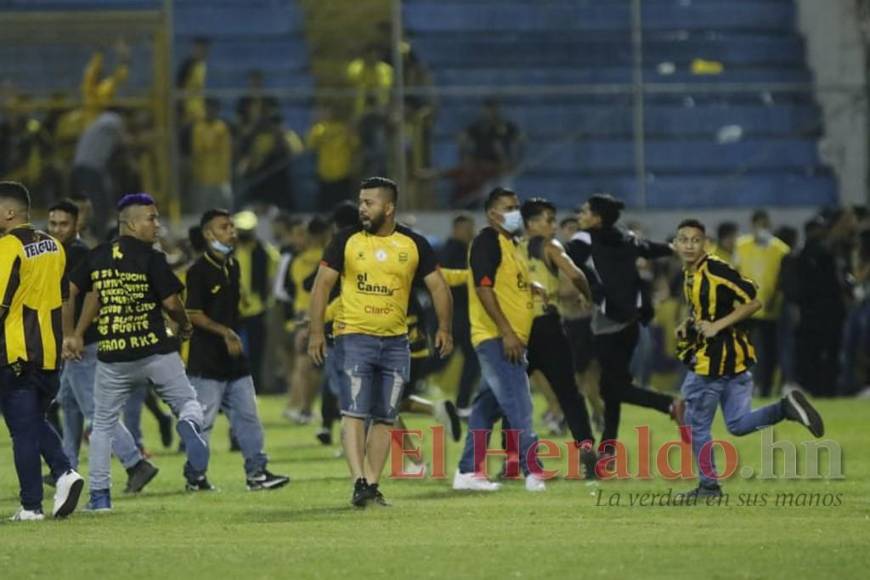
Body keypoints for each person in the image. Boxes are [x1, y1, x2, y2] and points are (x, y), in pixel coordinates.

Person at [308, 177, 453, 508]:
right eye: (360, 201)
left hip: (396, 342)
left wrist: (445, 328)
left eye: (369, 203)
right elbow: (321, 286)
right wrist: (317, 332)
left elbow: (440, 287)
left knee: (386, 416)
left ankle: (371, 485)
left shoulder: (414, 244)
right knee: (355, 413)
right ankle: (358, 480)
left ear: (389, 208)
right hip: (353, 337)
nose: (362, 208)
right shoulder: (344, 240)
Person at [65, 193, 211, 511]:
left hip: (114, 356)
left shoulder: (98, 255)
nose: (157, 225)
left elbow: (77, 292)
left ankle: (100, 497)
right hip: (156, 351)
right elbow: (172, 303)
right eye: (151, 218)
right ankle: (187, 423)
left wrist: (72, 334)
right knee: (187, 402)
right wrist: (184, 325)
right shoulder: (151, 258)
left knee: (102, 425)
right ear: (131, 223)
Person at [672, 219, 825, 498]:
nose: (689, 245)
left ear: (706, 244)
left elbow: (753, 301)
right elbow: (706, 309)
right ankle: (784, 408)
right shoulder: (691, 273)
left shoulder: (716, 269)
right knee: (738, 424)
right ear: (675, 245)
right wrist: (690, 322)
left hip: (713, 360)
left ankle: (709, 486)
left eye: (695, 240)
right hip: (734, 360)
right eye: (684, 240)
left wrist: (717, 326)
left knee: (695, 424)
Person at [47, 200, 159, 493]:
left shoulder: (78, 254)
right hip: (75, 341)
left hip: (84, 343)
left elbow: (85, 297)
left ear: (77, 225)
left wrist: (73, 335)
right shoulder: (63, 252)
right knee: (69, 404)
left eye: (64, 224)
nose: (57, 229)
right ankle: (65, 468)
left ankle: (136, 463)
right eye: (53, 224)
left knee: (97, 412)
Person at [566, 194, 685, 459]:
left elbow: (565, 264)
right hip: (631, 320)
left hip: (609, 322)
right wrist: (674, 247)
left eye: (585, 211)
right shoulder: (624, 236)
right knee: (613, 385)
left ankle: (670, 404)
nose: (580, 216)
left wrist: (586, 291)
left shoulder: (584, 239)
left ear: (596, 218)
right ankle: (608, 451)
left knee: (611, 388)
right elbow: (649, 248)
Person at [185, 209, 290, 490]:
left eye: (232, 226)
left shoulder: (232, 265)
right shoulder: (198, 271)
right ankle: (195, 477)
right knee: (203, 423)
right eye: (224, 227)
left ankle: (257, 473)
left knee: (248, 419)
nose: (232, 231)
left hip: (234, 360)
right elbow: (192, 313)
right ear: (209, 234)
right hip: (206, 361)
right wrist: (225, 332)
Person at [0, 181, 84, 521]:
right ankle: (65, 473)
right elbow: (64, 297)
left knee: (22, 430)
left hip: (16, 353)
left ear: (8, 212)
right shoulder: (54, 245)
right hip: (50, 354)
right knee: (33, 421)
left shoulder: (8, 246)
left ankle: (31, 505)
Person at [453, 187, 545, 493]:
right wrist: (507, 331)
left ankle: (468, 472)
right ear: (493, 213)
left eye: (516, 205)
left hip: (508, 337)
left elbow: (506, 283)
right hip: (496, 337)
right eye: (509, 207)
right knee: (519, 402)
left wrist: (530, 287)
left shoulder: (510, 243)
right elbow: (483, 288)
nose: (516, 211)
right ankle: (533, 470)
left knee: (485, 407)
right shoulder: (486, 241)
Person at [520, 198, 599, 477]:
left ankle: (511, 457)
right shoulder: (550, 247)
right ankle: (586, 447)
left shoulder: (509, 249)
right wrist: (587, 295)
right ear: (531, 224)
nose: (553, 226)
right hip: (548, 326)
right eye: (548, 220)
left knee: (512, 395)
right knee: (569, 393)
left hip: (518, 329)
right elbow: (575, 274)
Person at [734, 210, 789, 397]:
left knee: (769, 351)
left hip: (771, 309)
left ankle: (765, 387)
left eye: (764, 225)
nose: (761, 229)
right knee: (743, 350)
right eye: (758, 224)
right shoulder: (742, 246)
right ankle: (747, 386)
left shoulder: (779, 249)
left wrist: (776, 296)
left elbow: (783, 277)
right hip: (745, 307)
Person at [439, 214, 479, 416]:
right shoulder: (453, 250)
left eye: (471, 228)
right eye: (467, 229)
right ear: (456, 230)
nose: (470, 232)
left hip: (461, 314)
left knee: (468, 358)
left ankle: (462, 404)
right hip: (457, 314)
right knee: (442, 359)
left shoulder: (462, 249)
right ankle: (462, 404)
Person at [190, 98, 232, 214]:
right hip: (203, 176)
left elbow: (225, 151)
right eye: (208, 109)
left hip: (221, 176)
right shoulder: (199, 128)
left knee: (224, 207)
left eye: (213, 109)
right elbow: (199, 150)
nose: (211, 112)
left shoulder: (222, 127)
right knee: (202, 209)